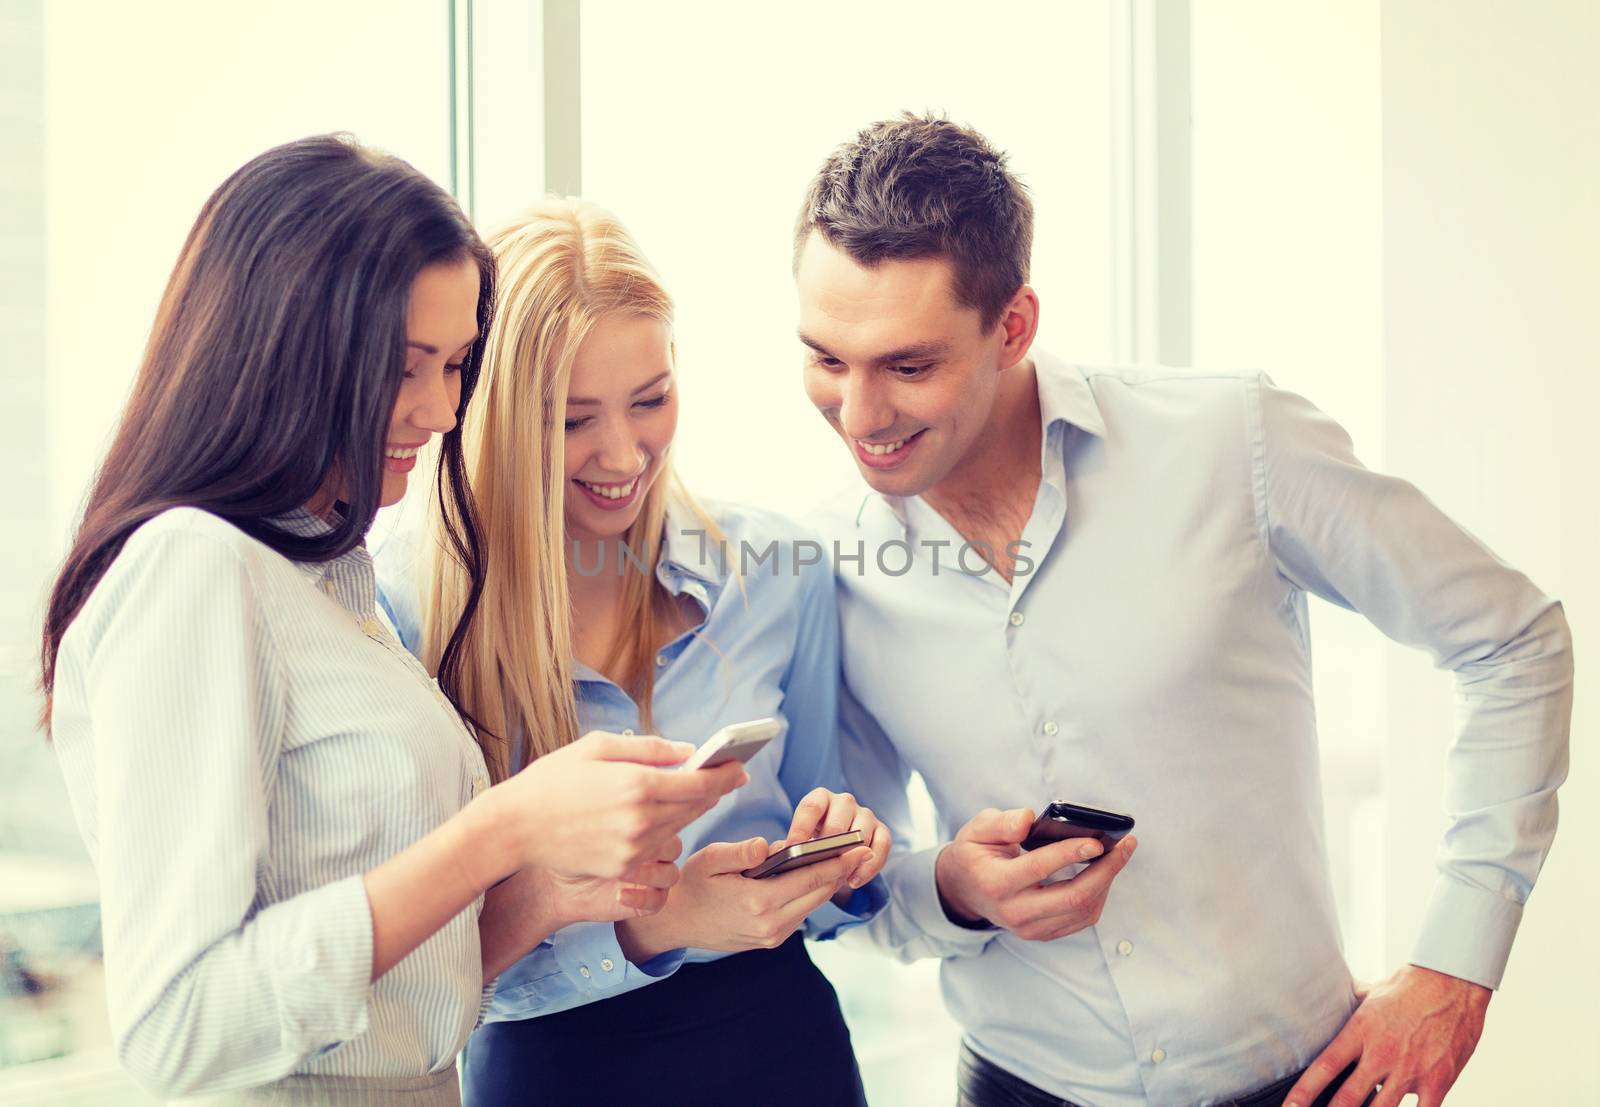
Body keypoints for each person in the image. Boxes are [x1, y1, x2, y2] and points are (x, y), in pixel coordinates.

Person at [795, 114, 1574, 1107]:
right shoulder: (830, 565)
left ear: (1014, 326)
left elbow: (1513, 641)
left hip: (1299, 1083)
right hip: (1013, 1087)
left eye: (908, 367)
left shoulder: (1229, 442)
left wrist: (1456, 966)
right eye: (825, 359)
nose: (860, 418)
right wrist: (952, 887)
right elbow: (855, 882)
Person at [40, 136, 743, 1106]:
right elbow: (181, 1027)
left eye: (456, 366)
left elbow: (396, 1016)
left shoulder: (323, 580)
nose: (443, 410)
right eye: (407, 367)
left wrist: (541, 894)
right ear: (284, 349)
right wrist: (502, 828)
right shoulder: (192, 567)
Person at [375, 197, 890, 1107]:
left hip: (785, 1050)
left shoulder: (776, 571)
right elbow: (412, 980)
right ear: (488, 411)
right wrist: (656, 924)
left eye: (650, 400)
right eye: (572, 420)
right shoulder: (402, 617)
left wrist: (837, 854)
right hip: (554, 1075)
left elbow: (835, 823)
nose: (623, 452)